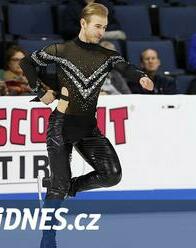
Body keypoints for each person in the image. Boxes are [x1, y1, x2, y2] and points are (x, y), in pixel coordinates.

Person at [20, 3, 153, 248]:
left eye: (104, 27)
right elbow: (27, 63)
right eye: (97, 26)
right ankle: (48, 238)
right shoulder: (60, 49)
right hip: (60, 126)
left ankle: (65, 185)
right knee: (57, 188)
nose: (101, 32)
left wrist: (142, 77)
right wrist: (40, 91)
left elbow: (126, 67)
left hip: (88, 128)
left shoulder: (107, 56)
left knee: (112, 175)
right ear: (83, 23)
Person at [62, 0, 126, 40]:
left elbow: (115, 26)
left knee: (108, 46)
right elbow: (67, 29)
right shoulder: (72, 6)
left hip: (103, 39)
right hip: (81, 40)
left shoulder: (105, 5)